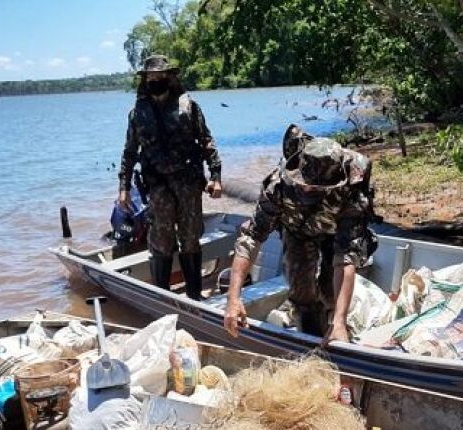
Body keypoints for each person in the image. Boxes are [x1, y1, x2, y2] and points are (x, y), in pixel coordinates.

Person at [223, 125, 376, 343]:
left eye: (316, 188)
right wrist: (233, 298)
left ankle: (334, 328)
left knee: (330, 293)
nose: (307, 190)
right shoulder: (278, 187)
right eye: (305, 184)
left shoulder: (351, 193)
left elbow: (346, 256)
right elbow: (251, 238)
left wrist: (339, 321)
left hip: (335, 233)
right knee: (301, 290)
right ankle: (309, 340)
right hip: (298, 230)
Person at [118, 55, 222, 300]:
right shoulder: (137, 114)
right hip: (158, 186)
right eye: (151, 77)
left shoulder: (189, 107)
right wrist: (123, 187)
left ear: (170, 78)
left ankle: (195, 296)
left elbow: (206, 140)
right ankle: (163, 299)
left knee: (190, 240)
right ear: (145, 80)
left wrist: (216, 175)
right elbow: (130, 151)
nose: (155, 80)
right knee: (161, 243)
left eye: (160, 76)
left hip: (188, 183)